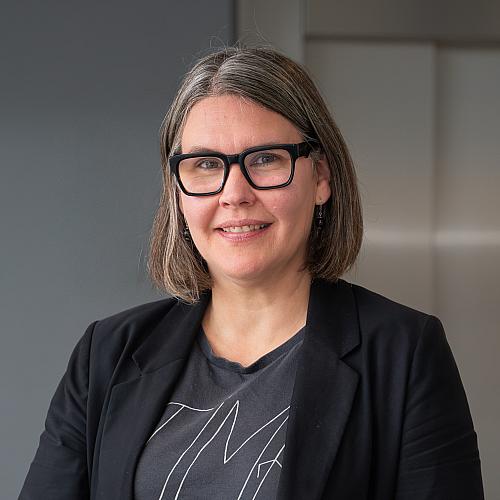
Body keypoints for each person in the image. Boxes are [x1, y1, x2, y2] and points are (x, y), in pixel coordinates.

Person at [19, 46, 484, 500]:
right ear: (178, 191)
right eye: (205, 164)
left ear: (321, 178)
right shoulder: (107, 353)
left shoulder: (405, 353)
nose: (234, 194)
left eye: (265, 159)